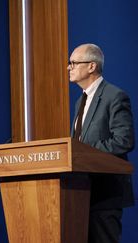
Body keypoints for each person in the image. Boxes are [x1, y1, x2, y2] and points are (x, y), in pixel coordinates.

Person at [68, 43, 135, 243]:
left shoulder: (115, 96)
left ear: (91, 66)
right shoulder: (80, 102)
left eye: (73, 63)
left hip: (105, 195)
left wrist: (83, 151)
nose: (69, 67)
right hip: (79, 194)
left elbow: (124, 141)